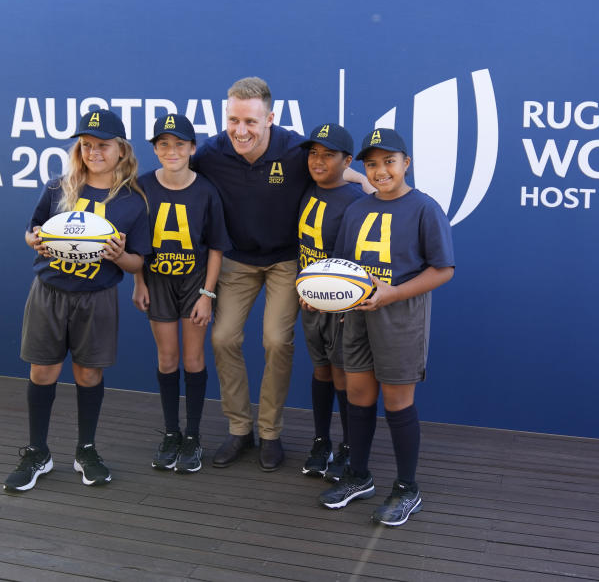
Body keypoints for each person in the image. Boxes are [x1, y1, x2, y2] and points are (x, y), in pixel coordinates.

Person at [192, 77, 369, 472]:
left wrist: (375, 189)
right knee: (222, 338)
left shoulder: (294, 149)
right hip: (237, 260)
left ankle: (270, 432)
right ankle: (240, 429)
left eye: (251, 122)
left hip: (286, 262)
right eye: (233, 120)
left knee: (275, 340)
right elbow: (177, 179)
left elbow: (343, 176)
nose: (241, 130)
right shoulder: (211, 152)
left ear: (270, 118)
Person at [3, 108, 150, 492]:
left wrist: (119, 256)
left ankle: (86, 450)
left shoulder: (133, 201)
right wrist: (34, 240)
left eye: (103, 145)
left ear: (122, 150)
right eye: (86, 145)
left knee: (89, 373)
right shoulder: (58, 187)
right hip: (49, 292)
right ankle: (38, 452)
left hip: (96, 297)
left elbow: (137, 262)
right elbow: (31, 231)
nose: (93, 152)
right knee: (43, 371)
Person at [318, 128, 455, 526]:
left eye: (389, 162)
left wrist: (392, 294)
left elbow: (443, 269)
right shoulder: (356, 210)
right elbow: (343, 269)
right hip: (358, 315)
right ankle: (359, 475)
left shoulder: (425, 208)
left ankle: (407, 487)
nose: (380, 171)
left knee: (397, 401)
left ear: (406, 163)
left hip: (399, 318)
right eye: (372, 164)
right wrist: (325, 295)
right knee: (359, 394)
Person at [132, 114, 232, 474]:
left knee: (193, 359)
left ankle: (192, 435)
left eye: (179, 144)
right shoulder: (141, 186)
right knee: (167, 359)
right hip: (157, 282)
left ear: (192, 148)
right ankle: (171, 433)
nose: (171, 151)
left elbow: (217, 247)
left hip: (194, 284)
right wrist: (139, 283)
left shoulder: (206, 190)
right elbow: (137, 246)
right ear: (155, 149)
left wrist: (208, 293)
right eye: (163, 144)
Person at [296, 123, 365, 480]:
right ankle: (321, 441)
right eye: (313, 153)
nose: (318, 161)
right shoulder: (307, 187)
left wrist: (338, 302)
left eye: (328, 154)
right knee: (321, 370)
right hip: (309, 305)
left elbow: (354, 263)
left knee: (341, 375)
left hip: (339, 307)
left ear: (347, 160)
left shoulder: (355, 202)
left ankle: (349, 446)